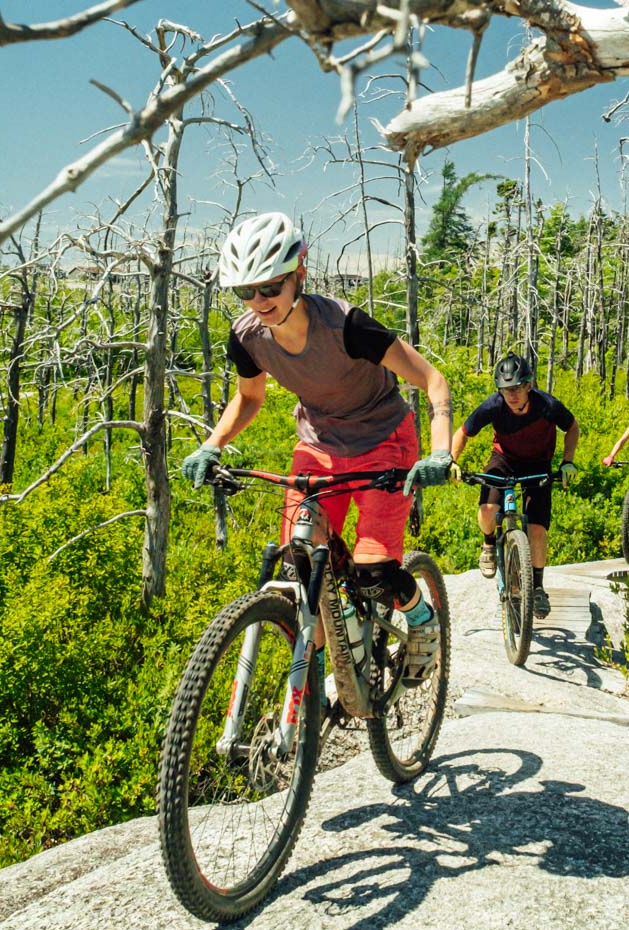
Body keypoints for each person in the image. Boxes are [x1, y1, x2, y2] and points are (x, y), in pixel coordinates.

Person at [179, 212, 454, 684]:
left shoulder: (346, 326)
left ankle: (423, 619)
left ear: (299, 276)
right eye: (246, 291)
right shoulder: (247, 336)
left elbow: (432, 379)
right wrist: (212, 444)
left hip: (383, 441)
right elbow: (249, 398)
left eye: (270, 287)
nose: (258, 301)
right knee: (300, 563)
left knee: (372, 573)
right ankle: (316, 689)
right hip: (319, 445)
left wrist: (442, 450)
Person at [450, 353, 580, 619]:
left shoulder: (547, 405)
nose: (511, 395)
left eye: (517, 388)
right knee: (487, 509)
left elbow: (572, 427)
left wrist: (567, 462)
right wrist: (451, 461)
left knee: (537, 529)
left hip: (538, 464)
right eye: (505, 389)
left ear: (528, 385)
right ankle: (488, 545)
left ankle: (538, 587)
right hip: (504, 460)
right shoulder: (493, 406)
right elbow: (463, 432)